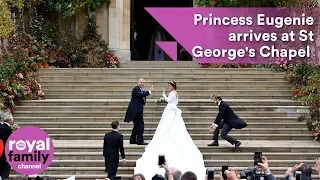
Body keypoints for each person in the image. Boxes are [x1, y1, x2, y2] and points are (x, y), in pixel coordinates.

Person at [134, 81, 206, 180]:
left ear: (173, 86)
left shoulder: (172, 93)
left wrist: (163, 95)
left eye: (169, 86)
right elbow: (175, 102)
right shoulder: (176, 93)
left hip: (170, 111)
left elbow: (168, 100)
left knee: (167, 127)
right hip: (173, 110)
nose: (168, 87)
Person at [124, 78, 153, 145]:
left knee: (136, 126)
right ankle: (139, 140)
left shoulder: (141, 89)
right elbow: (141, 95)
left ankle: (133, 140)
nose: (142, 83)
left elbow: (142, 97)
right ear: (138, 82)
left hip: (138, 111)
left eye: (143, 82)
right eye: (141, 82)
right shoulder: (136, 89)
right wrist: (149, 92)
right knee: (140, 126)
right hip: (135, 111)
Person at [0, 112, 13, 180]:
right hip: (5, 155)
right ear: (10, 120)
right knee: (5, 174)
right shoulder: (8, 129)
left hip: (1, 153)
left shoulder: (2, 127)